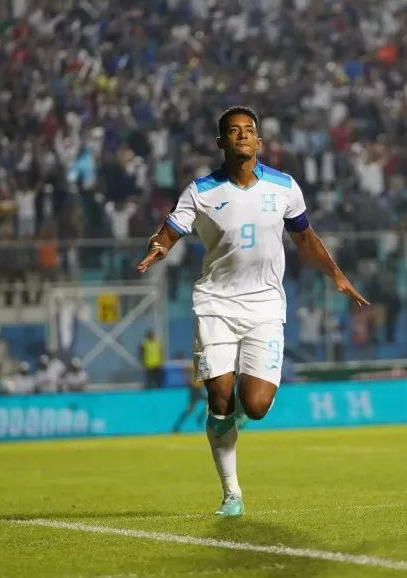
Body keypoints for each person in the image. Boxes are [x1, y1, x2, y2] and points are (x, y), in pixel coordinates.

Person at [136, 106, 368, 517]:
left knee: (255, 406)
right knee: (219, 396)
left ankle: (237, 416)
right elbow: (170, 231)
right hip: (216, 305)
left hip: (264, 306)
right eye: (233, 131)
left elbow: (305, 238)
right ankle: (232, 493)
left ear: (259, 142)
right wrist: (158, 247)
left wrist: (337, 274)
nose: (242, 136)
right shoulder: (201, 191)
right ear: (220, 142)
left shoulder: (284, 187)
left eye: (248, 131)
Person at [172, 359, 207, 433]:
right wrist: (186, 380)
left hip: (199, 389)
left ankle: (200, 417)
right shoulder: (195, 364)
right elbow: (184, 370)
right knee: (190, 409)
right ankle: (177, 425)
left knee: (208, 403)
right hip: (194, 389)